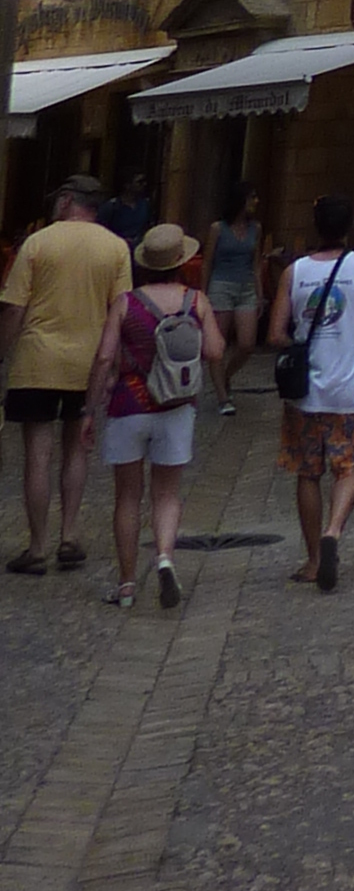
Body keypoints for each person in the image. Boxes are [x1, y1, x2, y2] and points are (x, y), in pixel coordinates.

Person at [265, 194, 354, 591]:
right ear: (350, 228)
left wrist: (300, 341)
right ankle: (335, 530)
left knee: (308, 473)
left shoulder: (294, 272)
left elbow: (274, 334)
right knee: (352, 466)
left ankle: (311, 561)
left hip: (306, 392)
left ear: (315, 226)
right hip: (351, 388)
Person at [1, 177, 134, 575]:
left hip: (36, 362)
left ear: (66, 200)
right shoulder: (116, 248)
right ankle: (69, 536)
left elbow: (13, 310)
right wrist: (114, 366)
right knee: (77, 449)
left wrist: (1, 354)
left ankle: (37, 545)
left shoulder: (37, 244)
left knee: (37, 456)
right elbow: (120, 310)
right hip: (88, 362)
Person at [86, 226, 223, 609]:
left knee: (127, 497)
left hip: (128, 405)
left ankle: (127, 584)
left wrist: (89, 408)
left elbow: (103, 357)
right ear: (181, 262)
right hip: (176, 408)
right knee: (167, 493)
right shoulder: (196, 301)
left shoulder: (126, 303)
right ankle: (164, 556)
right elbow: (214, 350)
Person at [203, 188, 267, 412]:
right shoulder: (217, 229)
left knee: (247, 343)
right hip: (221, 285)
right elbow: (208, 262)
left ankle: (226, 376)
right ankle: (222, 397)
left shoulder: (255, 228)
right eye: (252, 197)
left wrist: (260, 293)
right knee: (217, 344)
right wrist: (202, 294)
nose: (255, 201)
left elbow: (256, 262)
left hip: (246, 286)